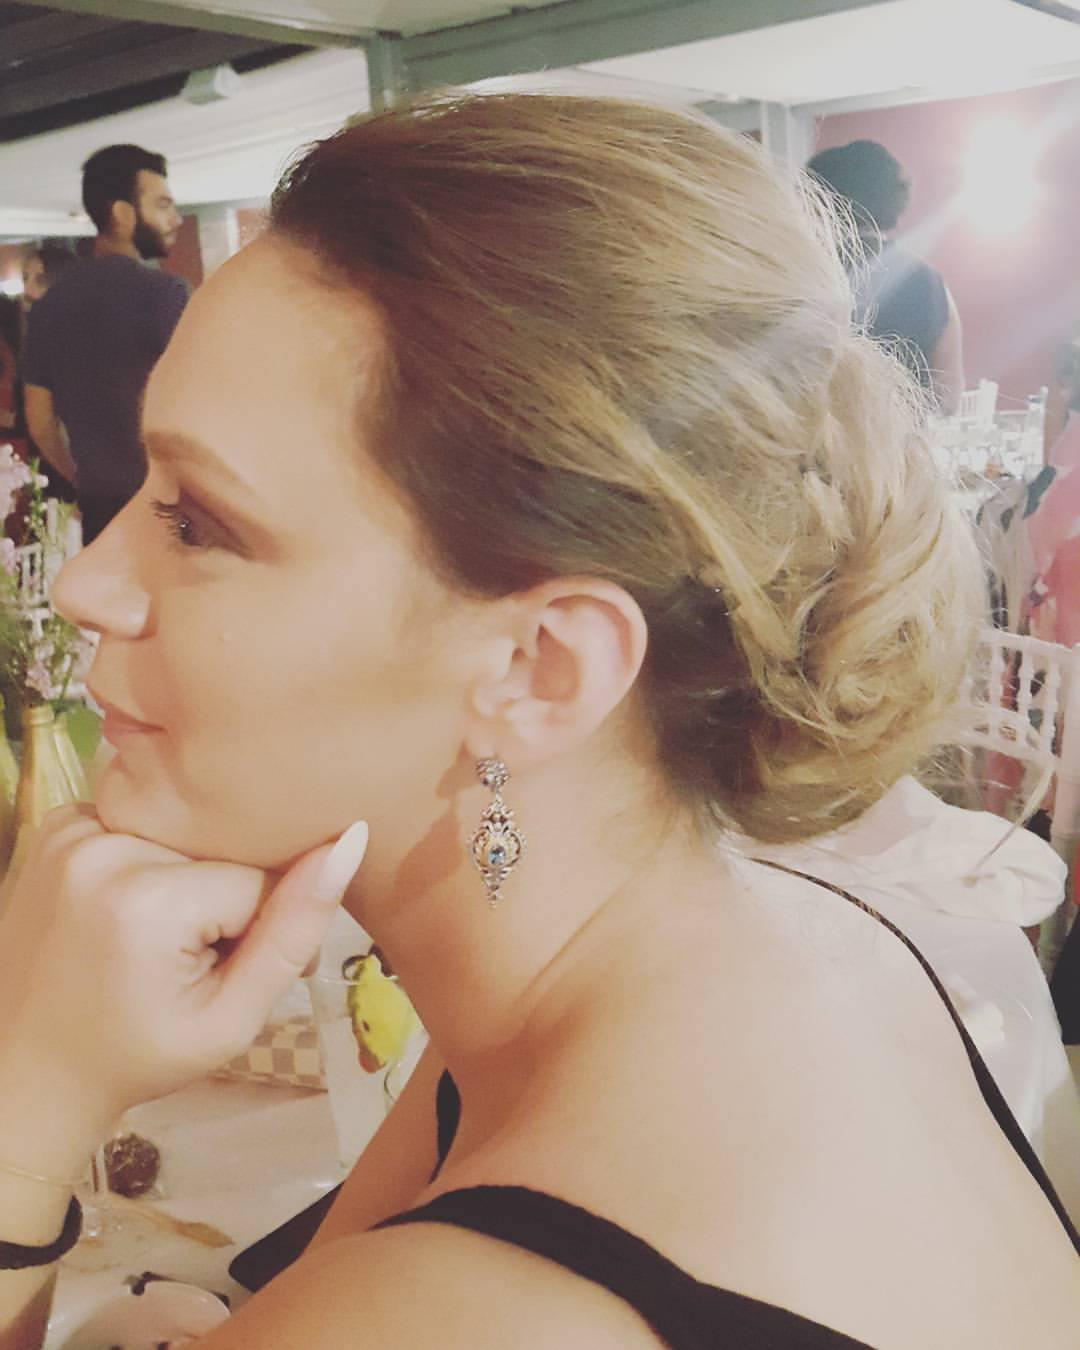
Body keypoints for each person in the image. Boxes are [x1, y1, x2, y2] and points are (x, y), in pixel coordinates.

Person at [0, 94, 1077, 1350]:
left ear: (542, 669)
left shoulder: (453, 1317)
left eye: (198, 523)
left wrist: (30, 1098)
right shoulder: (774, 947)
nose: (87, 585)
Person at [21, 144, 187, 542]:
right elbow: (195, 398)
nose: (176, 219)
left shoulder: (49, 307)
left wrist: (83, 478)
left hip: (100, 510)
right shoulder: (165, 294)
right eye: (162, 205)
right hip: (168, 504)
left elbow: (39, 420)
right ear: (123, 214)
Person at [807, 139, 964, 414]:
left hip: (816, 435)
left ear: (819, 200)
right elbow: (948, 399)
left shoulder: (803, 273)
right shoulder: (929, 281)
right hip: (902, 437)